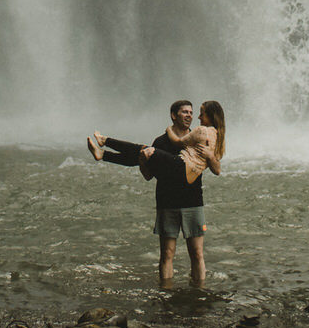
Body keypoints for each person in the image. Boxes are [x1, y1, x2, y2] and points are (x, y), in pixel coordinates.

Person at [85, 99, 226, 286]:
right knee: (167, 254)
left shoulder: (200, 136)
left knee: (198, 253)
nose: (191, 116)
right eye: (185, 112)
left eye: (192, 112)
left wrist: (210, 156)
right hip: (167, 202)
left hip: (192, 201)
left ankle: (199, 292)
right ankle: (166, 292)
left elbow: (217, 168)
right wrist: (143, 162)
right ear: (173, 115)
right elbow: (148, 175)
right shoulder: (161, 142)